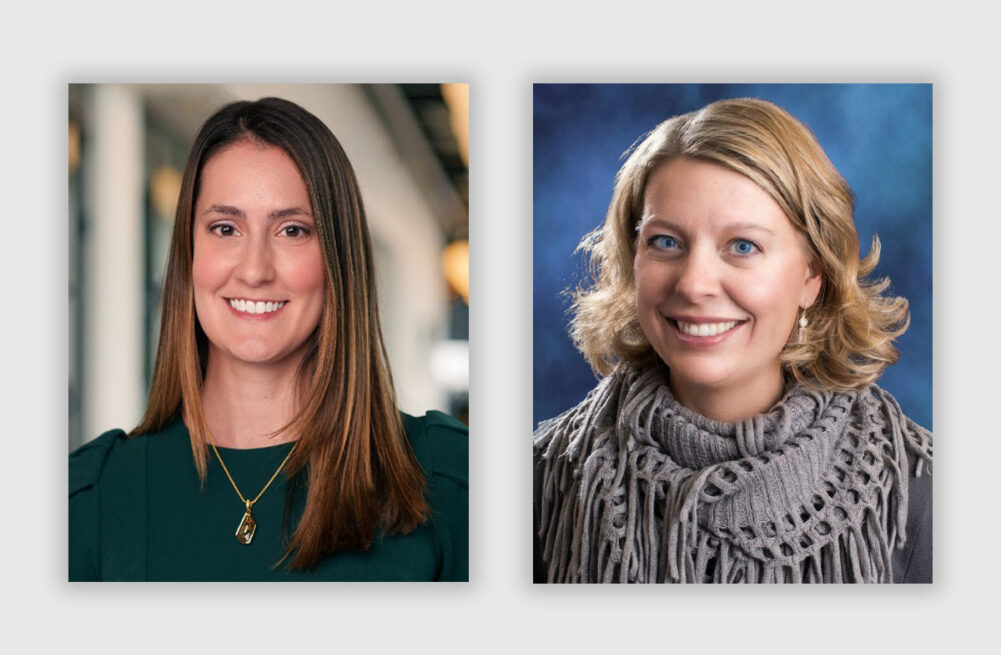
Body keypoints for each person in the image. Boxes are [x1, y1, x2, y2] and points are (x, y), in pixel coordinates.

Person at [534, 98, 932, 584]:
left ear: (814, 275)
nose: (694, 284)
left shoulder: (926, 491)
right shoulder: (538, 479)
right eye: (665, 242)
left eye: (743, 246)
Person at [70, 97, 468, 581]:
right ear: (189, 253)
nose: (255, 269)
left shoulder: (449, 478)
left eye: (292, 230)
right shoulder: (92, 498)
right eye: (225, 228)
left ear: (338, 262)